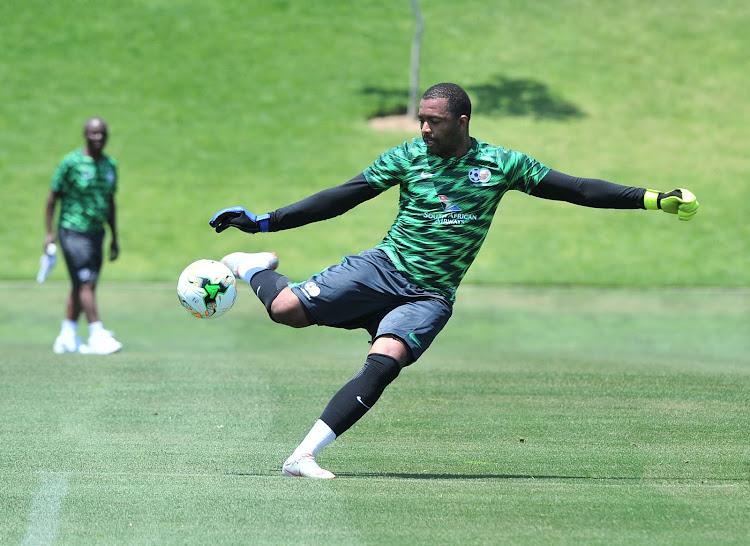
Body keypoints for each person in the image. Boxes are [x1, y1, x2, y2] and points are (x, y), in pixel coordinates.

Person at [209, 82, 699, 479]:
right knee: (285, 311)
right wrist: (266, 221)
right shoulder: (406, 157)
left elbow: (577, 189)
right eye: (421, 119)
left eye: (434, 121)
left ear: (461, 122)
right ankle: (254, 266)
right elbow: (343, 196)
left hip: (430, 295)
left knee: (385, 362)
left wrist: (652, 198)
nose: (424, 128)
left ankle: (303, 457)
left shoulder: (500, 164)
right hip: (383, 268)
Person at [44, 117, 122, 355]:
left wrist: (114, 236)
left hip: (96, 232)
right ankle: (97, 333)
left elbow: (110, 202)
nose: (98, 138)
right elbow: (52, 197)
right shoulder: (72, 162)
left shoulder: (110, 165)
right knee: (86, 281)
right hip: (72, 229)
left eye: (102, 134)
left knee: (83, 284)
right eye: (93, 133)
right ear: (85, 135)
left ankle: (66, 336)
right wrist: (49, 233)